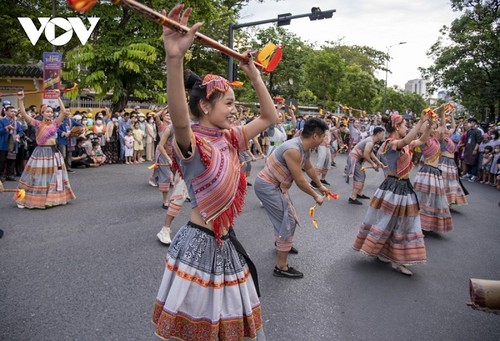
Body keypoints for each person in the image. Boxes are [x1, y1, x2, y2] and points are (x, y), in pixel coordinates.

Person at [152, 5, 277, 339]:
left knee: (231, 327)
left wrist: (255, 76)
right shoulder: (194, 144)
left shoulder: (229, 138)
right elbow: (180, 117)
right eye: (229, 104)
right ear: (205, 106)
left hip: (225, 242)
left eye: (236, 103)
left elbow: (269, 118)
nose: (235, 110)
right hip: (199, 244)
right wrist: (175, 59)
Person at [353, 113, 429, 276]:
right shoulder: (391, 143)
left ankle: (391, 256)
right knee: (397, 223)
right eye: (404, 125)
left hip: (402, 187)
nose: (406, 128)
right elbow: (406, 140)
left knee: (398, 223)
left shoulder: (401, 144)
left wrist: (429, 125)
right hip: (395, 188)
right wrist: (421, 121)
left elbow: (422, 140)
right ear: (396, 127)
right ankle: (395, 259)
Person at [254, 118, 330, 279]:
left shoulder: (304, 147)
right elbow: (300, 180)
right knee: (287, 221)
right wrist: (316, 195)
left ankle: (281, 245)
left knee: (286, 219)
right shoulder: (294, 149)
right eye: (323, 136)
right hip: (269, 186)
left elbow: (308, 167)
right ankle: (281, 266)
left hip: (276, 186)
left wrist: (320, 185)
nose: (325, 139)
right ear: (315, 136)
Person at [15, 90, 76, 209]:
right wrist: (20, 100)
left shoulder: (55, 124)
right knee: (37, 176)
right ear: (42, 113)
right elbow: (24, 114)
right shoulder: (37, 124)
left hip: (53, 152)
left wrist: (58, 97)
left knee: (54, 176)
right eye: (47, 112)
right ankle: (27, 198)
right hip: (40, 152)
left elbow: (63, 112)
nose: (50, 114)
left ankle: (53, 199)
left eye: (51, 112)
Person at [412, 116, 453, 233]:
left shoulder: (435, 139)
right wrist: (427, 123)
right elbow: (424, 132)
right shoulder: (424, 140)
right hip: (427, 172)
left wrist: (443, 112)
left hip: (434, 172)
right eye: (432, 127)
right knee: (423, 199)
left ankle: (427, 224)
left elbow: (443, 126)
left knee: (433, 199)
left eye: (435, 127)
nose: (435, 129)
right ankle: (418, 224)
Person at [346, 127, 386, 205]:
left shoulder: (371, 140)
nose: (383, 136)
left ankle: (359, 193)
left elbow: (370, 152)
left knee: (362, 176)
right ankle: (352, 197)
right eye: (382, 134)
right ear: (377, 134)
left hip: (357, 159)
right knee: (359, 177)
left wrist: (378, 162)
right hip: (355, 159)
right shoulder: (370, 142)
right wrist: (373, 163)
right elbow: (366, 155)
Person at [0, 105, 24, 181]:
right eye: (11, 111)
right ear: (6, 112)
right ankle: (1, 175)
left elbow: (21, 131)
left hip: (13, 143)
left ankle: (10, 175)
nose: (13, 113)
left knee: (12, 160)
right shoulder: (1, 121)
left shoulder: (16, 122)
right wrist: (6, 128)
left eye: (14, 112)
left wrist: (18, 135)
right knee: (2, 160)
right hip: (3, 143)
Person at [461, 118, 483, 182]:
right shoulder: (469, 131)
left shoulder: (478, 131)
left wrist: (475, 149)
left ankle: (474, 175)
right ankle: (468, 173)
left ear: (474, 123)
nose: (470, 123)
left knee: (474, 162)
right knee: (468, 161)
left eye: (471, 122)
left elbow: (478, 141)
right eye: (469, 122)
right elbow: (466, 141)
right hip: (468, 148)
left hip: (474, 148)